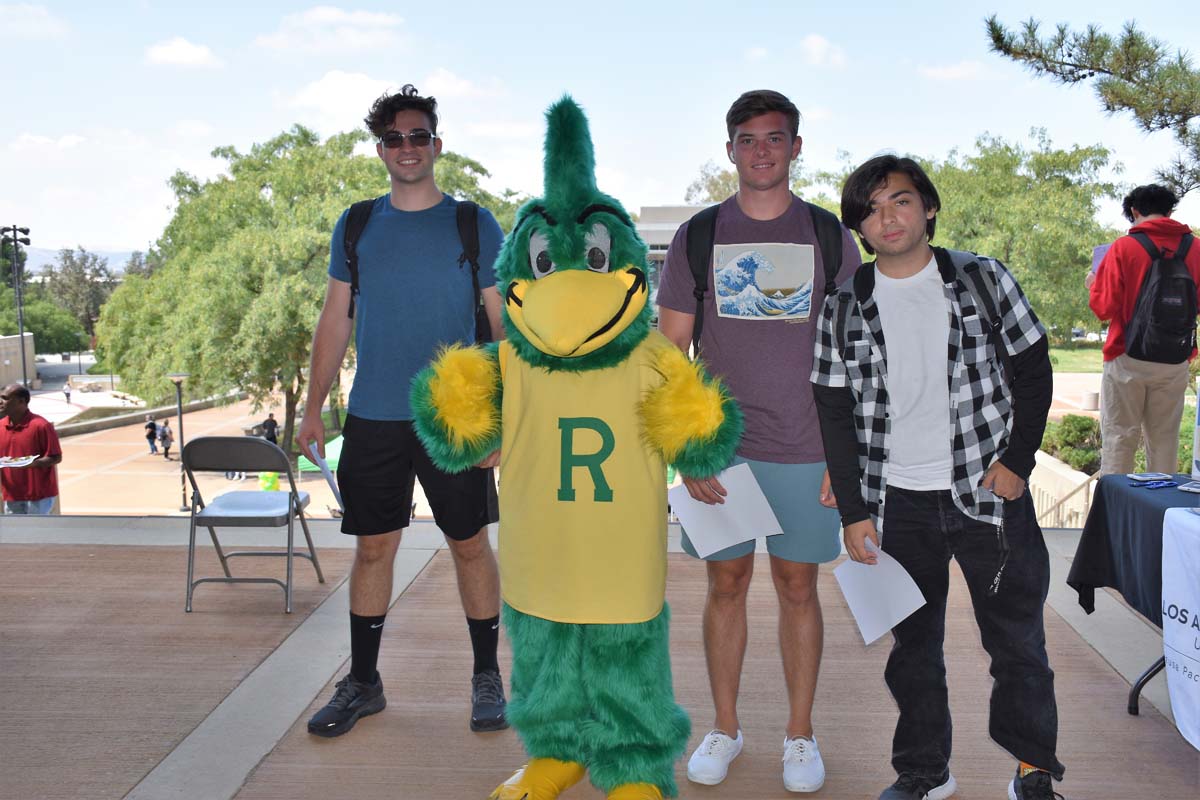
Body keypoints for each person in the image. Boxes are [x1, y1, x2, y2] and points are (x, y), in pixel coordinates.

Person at [811, 155, 1062, 800]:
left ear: (927, 206)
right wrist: (854, 511)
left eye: (898, 200)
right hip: (898, 505)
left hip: (987, 496)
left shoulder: (982, 278)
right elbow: (833, 411)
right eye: (870, 209)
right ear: (859, 228)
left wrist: (1017, 463)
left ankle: (1033, 770)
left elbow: (1035, 371)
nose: (886, 217)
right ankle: (924, 772)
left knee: (1017, 645)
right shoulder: (842, 304)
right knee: (913, 651)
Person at [656, 89, 860, 792]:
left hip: (809, 448)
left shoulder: (832, 237)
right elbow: (668, 353)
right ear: (731, 150)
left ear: (796, 147)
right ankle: (725, 726)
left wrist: (849, 457)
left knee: (798, 587)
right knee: (727, 584)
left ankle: (800, 737)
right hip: (724, 449)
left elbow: (861, 354)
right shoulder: (700, 235)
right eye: (748, 139)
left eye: (775, 138)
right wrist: (686, 448)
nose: (762, 150)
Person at [297, 84, 507, 739]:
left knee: (469, 547)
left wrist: (503, 418)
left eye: (419, 136)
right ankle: (364, 683)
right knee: (373, 551)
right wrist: (311, 412)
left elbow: (504, 327)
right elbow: (335, 320)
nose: (407, 148)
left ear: (437, 146)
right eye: (395, 138)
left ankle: (485, 677)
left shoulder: (475, 223)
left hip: (456, 419)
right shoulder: (357, 224)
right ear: (380, 149)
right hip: (374, 417)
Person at [1089, 184, 1200, 475]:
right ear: (1170, 211)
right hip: (1175, 360)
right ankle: (1159, 515)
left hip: (1127, 355)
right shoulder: (1196, 248)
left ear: (1135, 211)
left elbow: (1103, 308)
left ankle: (1113, 516)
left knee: (1119, 439)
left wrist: (1092, 284)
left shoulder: (1123, 248)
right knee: (1165, 442)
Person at [0, 383, 64, 514]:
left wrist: (31, 463)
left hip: (39, 496)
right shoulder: (0, 426)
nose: (1, 402)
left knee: (36, 533)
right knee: (16, 533)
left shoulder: (41, 426)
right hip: (12, 494)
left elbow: (56, 457)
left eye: (5, 398)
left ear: (21, 401)